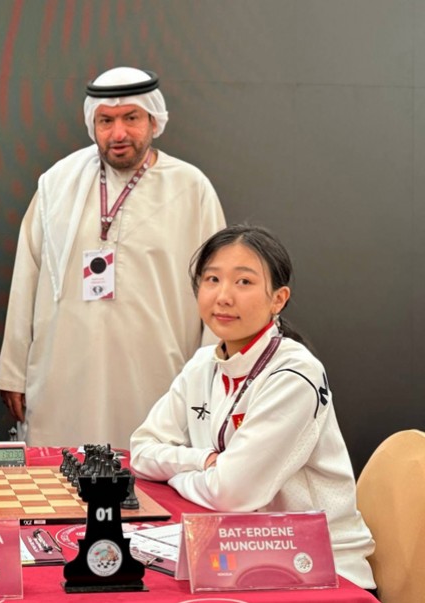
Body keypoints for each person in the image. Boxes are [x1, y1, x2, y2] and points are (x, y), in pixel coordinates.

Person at [130, 225, 375, 589]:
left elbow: (232, 493)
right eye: (212, 279)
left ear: (278, 299)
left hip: (322, 568)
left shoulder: (294, 375)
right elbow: (141, 451)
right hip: (237, 553)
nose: (223, 296)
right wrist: (204, 461)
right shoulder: (202, 364)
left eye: (243, 282)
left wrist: (177, 473)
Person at [0, 66, 225, 448]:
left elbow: (219, 287)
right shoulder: (56, 184)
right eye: (106, 121)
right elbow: (26, 278)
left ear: (154, 121)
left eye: (131, 118)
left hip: (158, 378)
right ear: (93, 124)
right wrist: (13, 372)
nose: (118, 134)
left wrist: (213, 376)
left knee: (150, 471)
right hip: (63, 380)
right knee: (58, 474)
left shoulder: (191, 188)